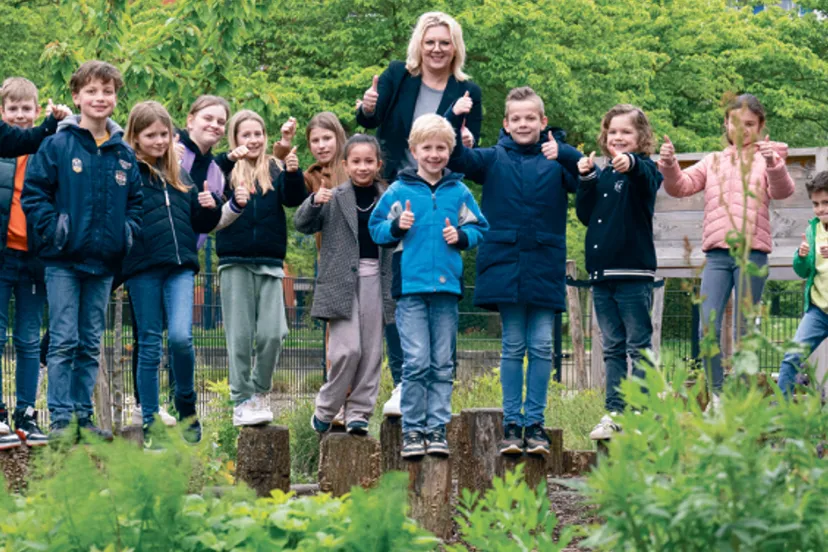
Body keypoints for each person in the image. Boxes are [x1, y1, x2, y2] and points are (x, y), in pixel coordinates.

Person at [357, 11, 482, 414]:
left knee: (435, 291)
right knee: (397, 289)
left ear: (455, 47)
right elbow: (371, 119)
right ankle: (401, 382)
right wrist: (367, 104)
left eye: (445, 42)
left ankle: (436, 387)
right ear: (419, 44)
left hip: (437, 200)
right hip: (396, 191)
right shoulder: (398, 75)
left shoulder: (468, 91)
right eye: (431, 41)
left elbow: (464, 149)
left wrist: (463, 132)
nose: (437, 49)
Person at [448, 86, 581, 456]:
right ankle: (511, 424)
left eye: (530, 118)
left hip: (544, 260)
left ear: (543, 121)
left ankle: (535, 424)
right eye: (516, 118)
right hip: (505, 262)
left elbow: (586, 174)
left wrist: (566, 153)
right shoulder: (492, 158)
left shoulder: (557, 160)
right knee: (512, 345)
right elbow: (456, 157)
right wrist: (454, 116)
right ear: (506, 123)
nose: (523, 124)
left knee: (541, 345)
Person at [21, 60, 142, 440]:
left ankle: (82, 417)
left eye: (107, 91)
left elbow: (136, 204)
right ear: (77, 96)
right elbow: (35, 193)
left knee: (91, 343)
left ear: (116, 98)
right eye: (91, 91)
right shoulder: (57, 144)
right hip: (63, 261)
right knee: (63, 340)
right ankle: (60, 419)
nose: (100, 98)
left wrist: (125, 234)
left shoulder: (124, 154)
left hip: (103, 264)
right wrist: (55, 231)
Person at [659, 94, 795, 409]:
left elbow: (783, 191)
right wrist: (669, 165)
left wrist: (774, 164)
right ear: (725, 123)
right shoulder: (713, 160)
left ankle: (743, 397)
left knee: (745, 329)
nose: (742, 129)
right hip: (717, 256)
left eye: (750, 124)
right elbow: (680, 186)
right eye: (735, 122)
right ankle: (717, 396)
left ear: (761, 127)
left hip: (752, 254)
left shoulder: (769, 157)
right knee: (708, 325)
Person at [122, 101, 245, 447]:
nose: (159, 141)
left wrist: (210, 208)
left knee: (180, 337)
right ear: (136, 136)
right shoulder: (128, 171)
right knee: (149, 342)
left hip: (180, 265)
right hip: (143, 267)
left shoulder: (180, 173)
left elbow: (199, 221)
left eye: (164, 134)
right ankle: (149, 420)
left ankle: (186, 403)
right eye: (151, 135)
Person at [369, 113, 488, 458]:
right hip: (410, 290)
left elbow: (480, 227)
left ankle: (437, 427)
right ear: (413, 150)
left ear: (450, 151)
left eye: (441, 148)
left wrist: (462, 236)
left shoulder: (459, 191)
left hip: (447, 290)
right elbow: (376, 229)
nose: (434, 154)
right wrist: (397, 226)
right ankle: (412, 429)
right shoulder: (398, 190)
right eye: (427, 148)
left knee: (442, 364)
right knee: (417, 360)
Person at [574, 105, 662, 440]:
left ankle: (640, 412)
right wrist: (586, 178)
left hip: (633, 272)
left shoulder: (646, 169)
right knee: (611, 347)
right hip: (602, 275)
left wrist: (633, 164)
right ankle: (614, 411)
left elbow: (645, 178)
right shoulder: (605, 173)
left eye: (626, 132)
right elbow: (586, 214)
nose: (618, 138)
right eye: (613, 132)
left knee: (638, 345)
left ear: (641, 137)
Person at [296, 134, 394, 435]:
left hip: (378, 278)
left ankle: (359, 413)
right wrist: (314, 201)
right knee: (346, 351)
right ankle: (327, 407)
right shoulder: (335, 196)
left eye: (368, 161)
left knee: (371, 351)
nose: (362, 167)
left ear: (378, 164)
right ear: (345, 164)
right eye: (356, 162)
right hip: (341, 283)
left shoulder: (390, 196)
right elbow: (302, 223)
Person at [217, 110, 308, 426]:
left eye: (258, 134)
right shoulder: (225, 168)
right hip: (235, 262)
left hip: (270, 262)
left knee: (273, 333)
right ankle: (241, 399)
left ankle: (260, 391)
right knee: (239, 337)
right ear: (236, 139)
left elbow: (294, 199)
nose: (253, 139)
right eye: (246, 135)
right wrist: (229, 159)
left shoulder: (274, 168)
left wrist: (294, 173)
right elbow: (210, 178)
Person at [0, 77, 52, 449]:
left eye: (26, 108)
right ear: (3, 113)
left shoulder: (47, 147)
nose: (20, 115)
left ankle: (26, 413)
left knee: (29, 339)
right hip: (2, 255)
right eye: (13, 109)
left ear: (37, 111)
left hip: (34, 257)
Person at [776, 171, 828, 397]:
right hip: (819, 310)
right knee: (792, 357)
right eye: (816, 204)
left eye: (826, 202)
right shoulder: (812, 230)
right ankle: (783, 416)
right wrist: (802, 255)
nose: (820, 209)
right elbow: (803, 271)